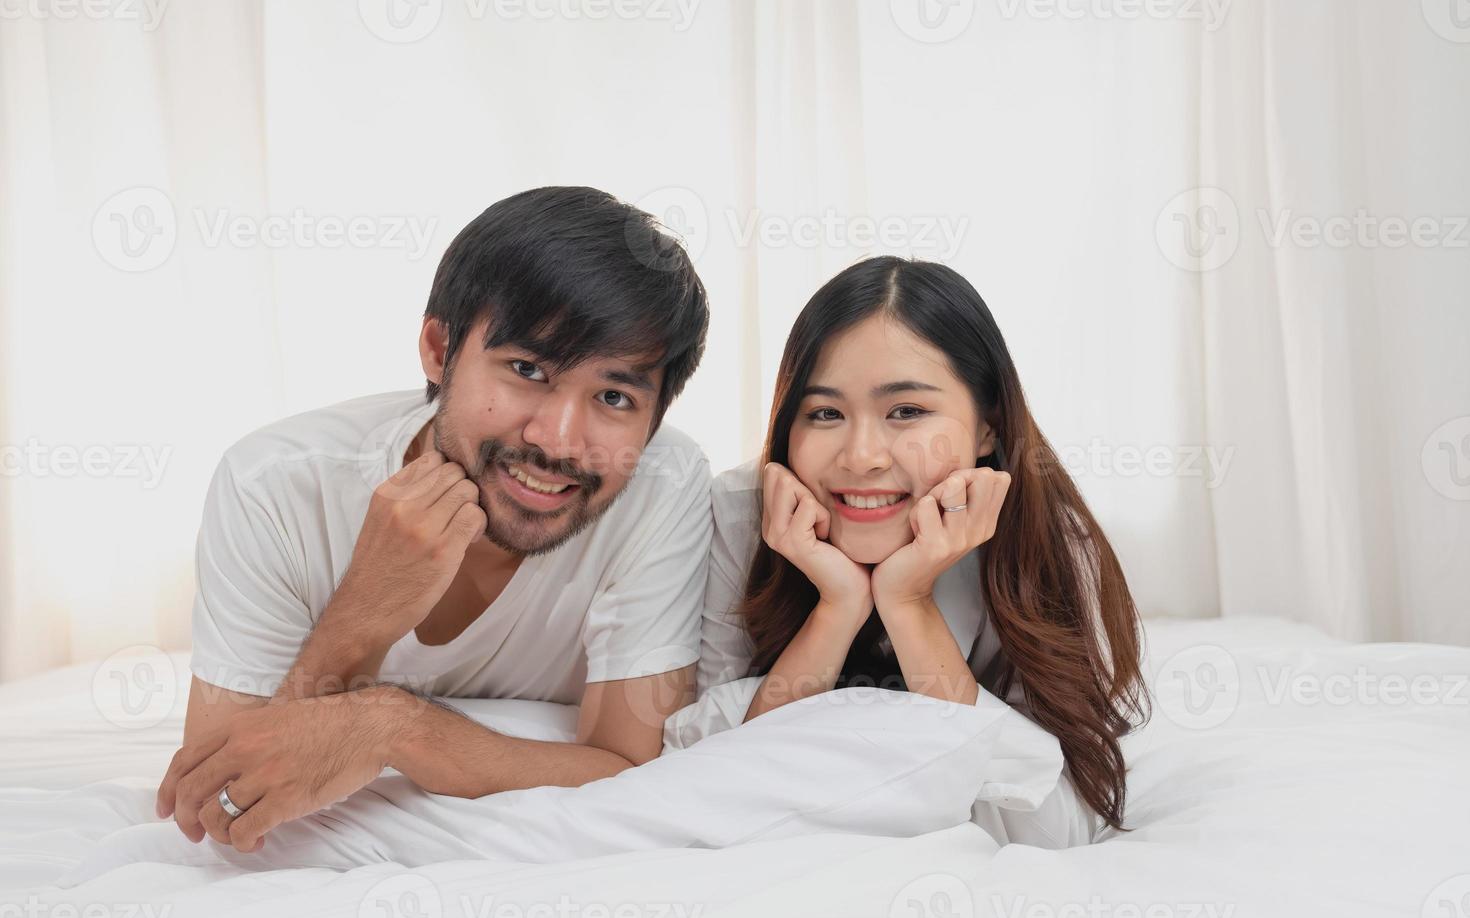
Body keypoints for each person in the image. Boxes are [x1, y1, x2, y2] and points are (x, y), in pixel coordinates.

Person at [154, 186, 713, 854]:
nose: (561, 440)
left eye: (614, 395)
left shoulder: (665, 483)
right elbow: (219, 798)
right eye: (527, 368)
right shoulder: (274, 483)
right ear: (437, 347)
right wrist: (366, 610)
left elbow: (628, 767)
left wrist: (393, 726)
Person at [684, 255, 1150, 844]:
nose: (862, 456)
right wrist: (837, 607)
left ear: (987, 425)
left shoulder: (1049, 539)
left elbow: (1049, 825)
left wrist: (909, 603)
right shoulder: (740, 512)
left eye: (907, 411)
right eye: (825, 412)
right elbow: (705, 779)